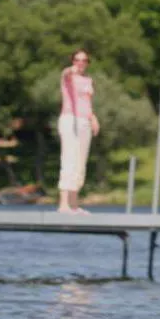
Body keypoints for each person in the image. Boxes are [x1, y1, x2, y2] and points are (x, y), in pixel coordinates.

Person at [57, 48, 100, 214]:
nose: (81, 63)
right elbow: (64, 74)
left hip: (84, 121)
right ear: (72, 61)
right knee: (69, 158)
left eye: (84, 60)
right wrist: (70, 70)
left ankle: (74, 204)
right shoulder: (68, 77)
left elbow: (87, 102)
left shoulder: (88, 80)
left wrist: (93, 117)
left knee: (80, 162)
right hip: (70, 119)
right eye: (77, 60)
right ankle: (63, 204)